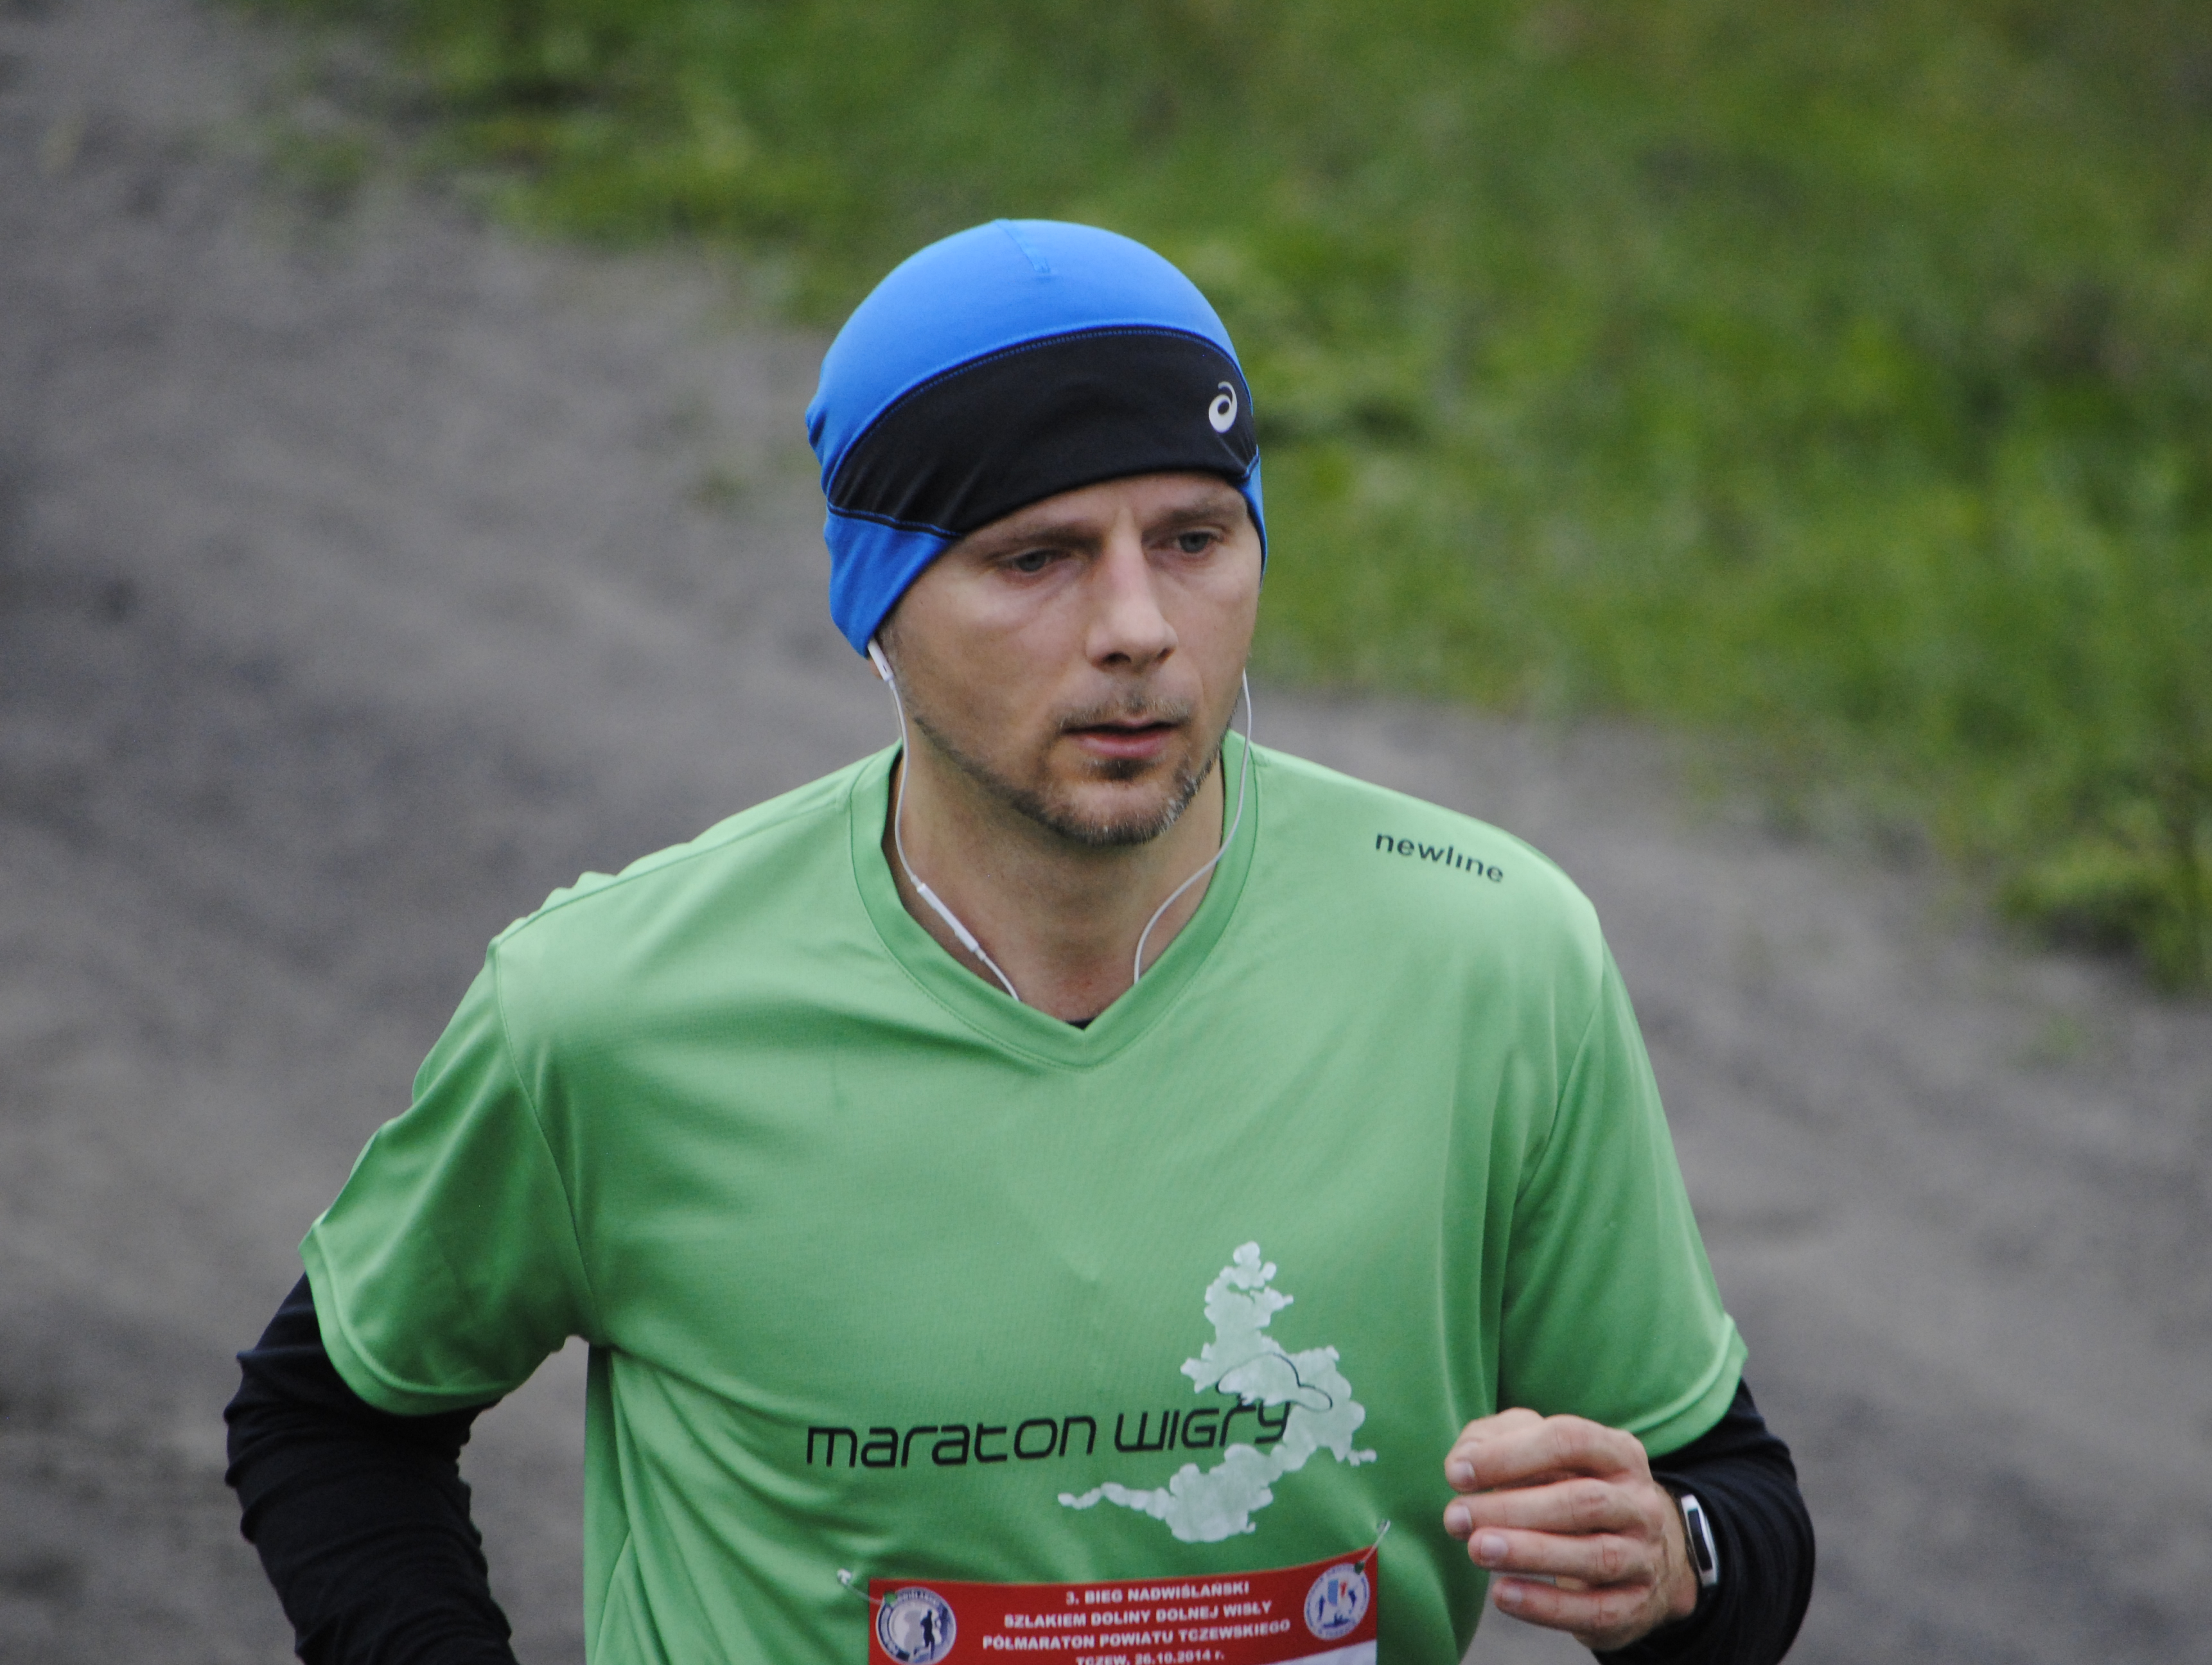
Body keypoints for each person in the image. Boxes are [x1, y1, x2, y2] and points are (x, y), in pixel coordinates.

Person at [225, 220, 1813, 1665]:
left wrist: (1672, 1561)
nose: (1136, 628)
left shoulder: (1489, 956)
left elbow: (1726, 1501)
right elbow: (333, 1416)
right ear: (876, 601)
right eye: (1036, 557)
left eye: (1192, 539)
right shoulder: (610, 1010)